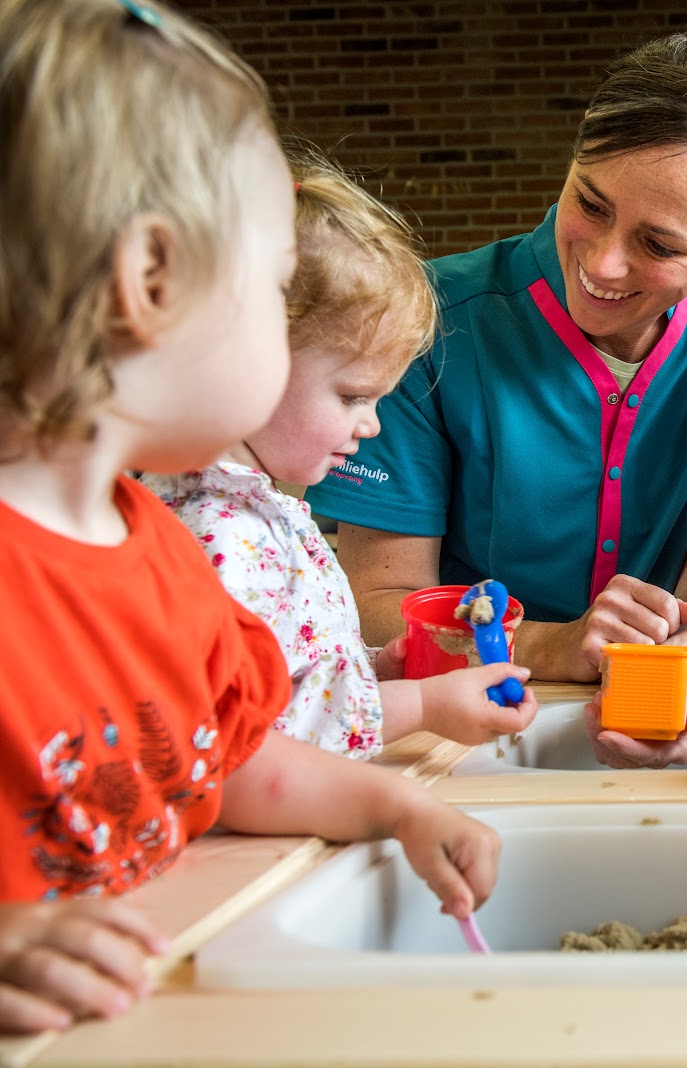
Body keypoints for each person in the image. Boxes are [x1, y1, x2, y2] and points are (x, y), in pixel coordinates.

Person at [0, 0, 499, 1034]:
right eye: (275, 288)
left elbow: (235, 762)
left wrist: (396, 805)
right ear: (149, 280)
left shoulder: (157, 552)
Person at [306, 34, 687, 769]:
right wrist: (551, 643)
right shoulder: (427, 319)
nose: (604, 262)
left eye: (659, 245)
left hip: (647, 704)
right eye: (590, 203)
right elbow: (380, 598)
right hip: (453, 724)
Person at [142, 145, 537, 759]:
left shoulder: (255, 510)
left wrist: (373, 671)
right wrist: (422, 705)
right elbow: (256, 736)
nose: (372, 425)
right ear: (247, 358)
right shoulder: (217, 534)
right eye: (353, 396)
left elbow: (287, 668)